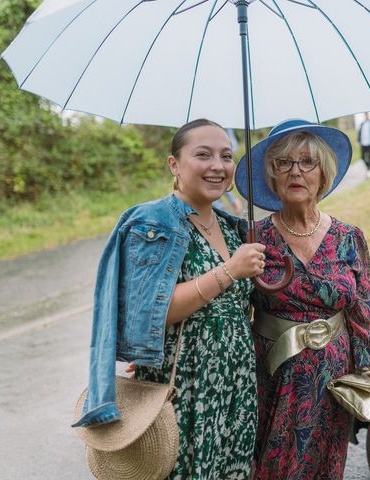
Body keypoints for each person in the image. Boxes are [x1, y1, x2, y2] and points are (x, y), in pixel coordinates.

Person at [73, 119, 266, 480]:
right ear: (174, 164)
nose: (218, 166)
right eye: (203, 154)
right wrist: (230, 271)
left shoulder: (231, 227)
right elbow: (151, 311)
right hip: (186, 391)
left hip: (235, 387)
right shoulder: (153, 222)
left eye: (226, 156)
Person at [235, 119, 370, 479]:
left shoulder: (348, 237)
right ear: (271, 175)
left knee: (325, 468)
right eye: (283, 162)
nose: (295, 171)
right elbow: (226, 310)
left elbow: (364, 315)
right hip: (273, 380)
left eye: (307, 162)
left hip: (333, 384)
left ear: (323, 174)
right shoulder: (251, 238)